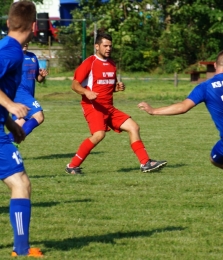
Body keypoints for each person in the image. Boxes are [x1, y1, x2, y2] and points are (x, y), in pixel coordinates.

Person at [138, 50, 223, 179]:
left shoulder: (205, 87)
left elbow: (183, 107)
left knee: (217, 160)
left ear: (215, 65)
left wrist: (154, 110)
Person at [65, 32, 167, 174]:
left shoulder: (112, 64)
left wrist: (116, 88)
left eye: (110, 46)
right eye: (105, 46)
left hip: (109, 108)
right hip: (93, 107)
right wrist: (86, 92)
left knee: (134, 127)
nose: (108, 49)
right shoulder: (89, 63)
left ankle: (145, 163)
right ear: (96, 46)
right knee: (99, 135)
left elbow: (107, 86)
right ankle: (72, 166)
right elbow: (74, 85)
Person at [0, 1, 43, 257]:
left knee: (20, 183)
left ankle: (21, 248)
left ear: (8, 22)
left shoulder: (5, 46)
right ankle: (21, 249)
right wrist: (11, 105)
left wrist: (11, 126)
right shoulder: (12, 52)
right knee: (21, 184)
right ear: (34, 26)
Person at [7, 42, 48, 145]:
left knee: (18, 126)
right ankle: (12, 144)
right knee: (39, 116)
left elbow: (37, 78)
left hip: (28, 94)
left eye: (27, 41)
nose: (25, 43)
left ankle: (6, 145)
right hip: (19, 93)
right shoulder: (13, 57)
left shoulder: (32, 57)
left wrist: (42, 76)